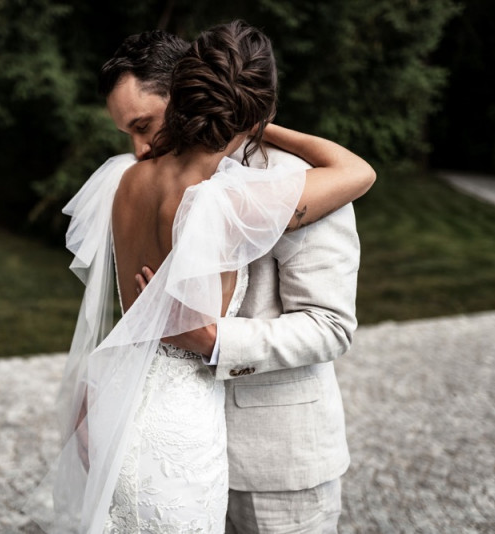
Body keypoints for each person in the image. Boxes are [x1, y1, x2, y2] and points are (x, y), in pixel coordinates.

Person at [98, 25, 374, 534]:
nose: (138, 149)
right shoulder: (176, 183)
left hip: (271, 459)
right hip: (181, 439)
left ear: (181, 96)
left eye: (143, 124)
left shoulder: (292, 178)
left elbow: (330, 325)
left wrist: (216, 341)